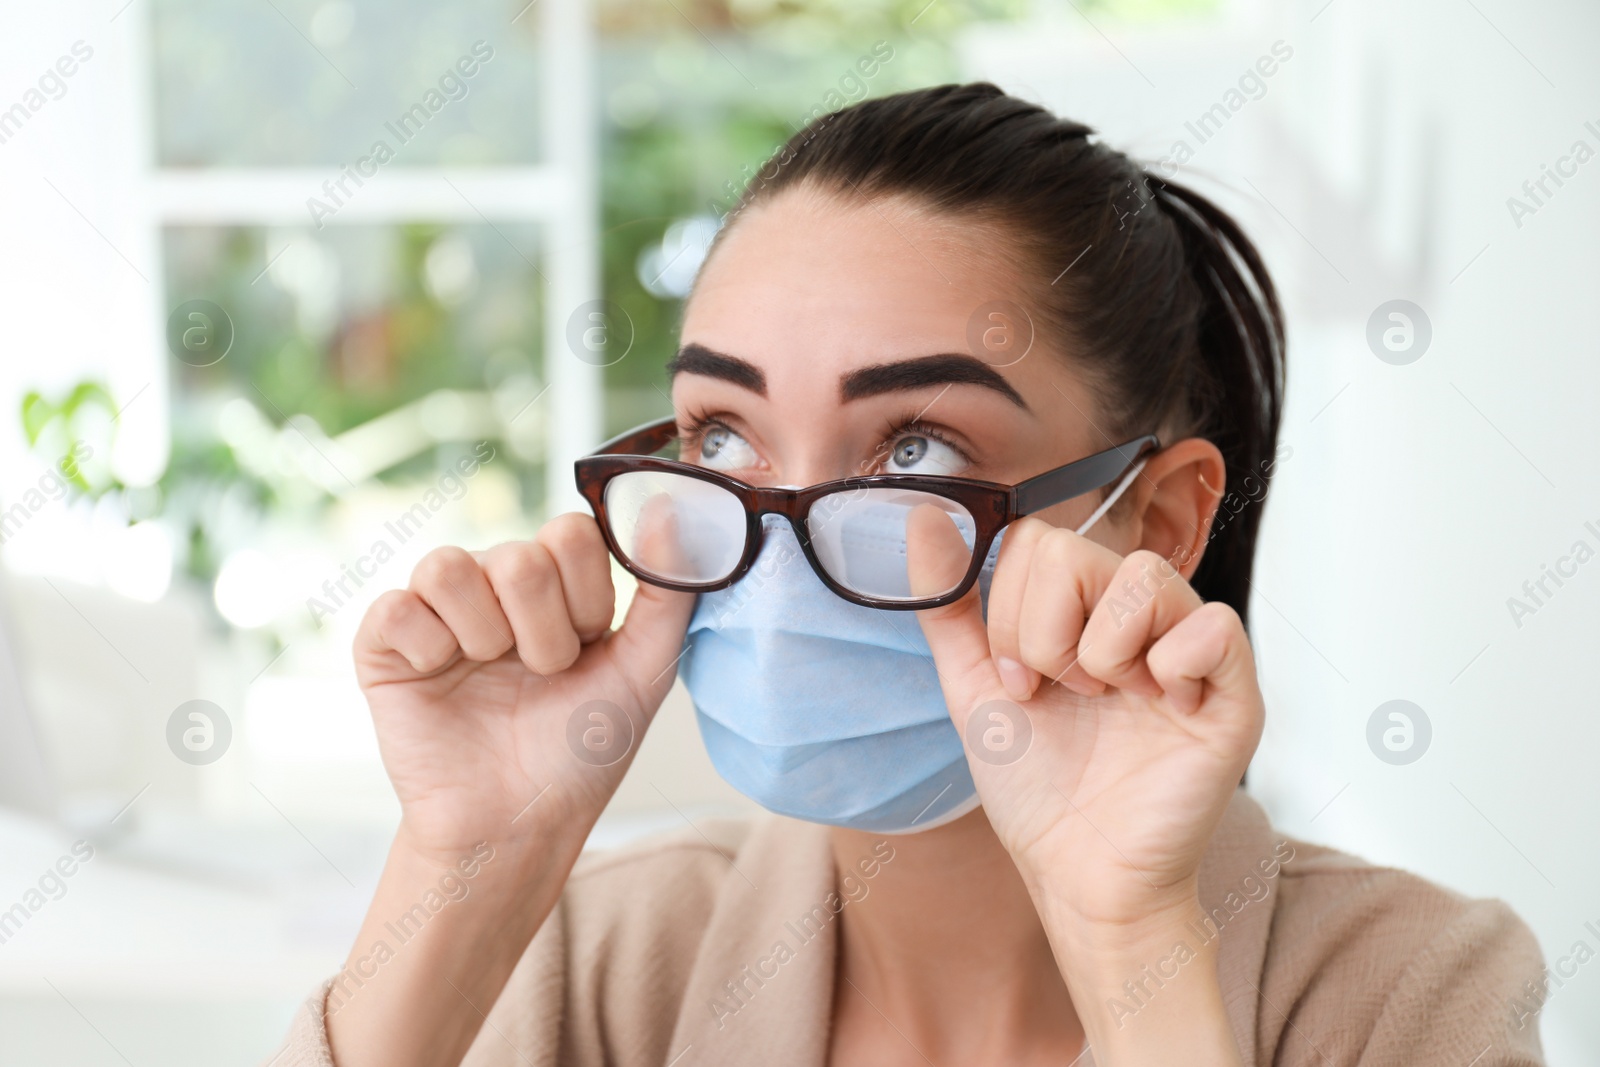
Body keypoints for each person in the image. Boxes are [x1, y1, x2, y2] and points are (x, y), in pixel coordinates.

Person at [268, 83, 1545, 1066]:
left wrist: (1131, 946)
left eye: (914, 448)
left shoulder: (1411, 988)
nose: (776, 536)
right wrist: (471, 867)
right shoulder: (602, 957)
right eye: (722, 435)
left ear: (1153, 520)